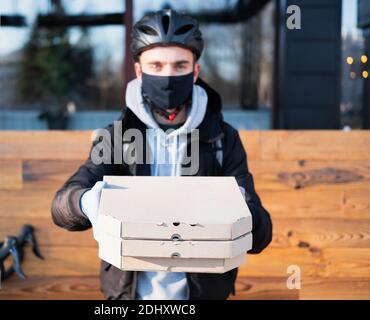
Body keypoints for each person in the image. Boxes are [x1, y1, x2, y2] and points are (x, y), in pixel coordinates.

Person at [51, 9, 272, 300]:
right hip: (129, 296)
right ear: (139, 71)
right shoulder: (116, 136)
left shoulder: (223, 138)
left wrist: (242, 211)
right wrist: (86, 202)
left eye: (179, 65)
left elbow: (261, 235)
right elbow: (61, 206)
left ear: (195, 71)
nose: (167, 76)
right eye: (156, 65)